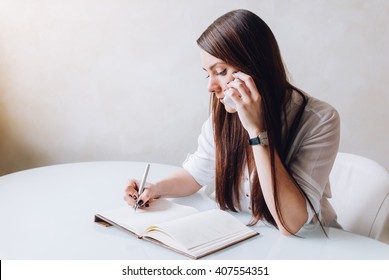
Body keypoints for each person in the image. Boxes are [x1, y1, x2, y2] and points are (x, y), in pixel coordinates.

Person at [124, 9, 340, 235]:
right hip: (248, 238)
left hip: (311, 245)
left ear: (255, 66)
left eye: (221, 71)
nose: (211, 86)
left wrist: (257, 132)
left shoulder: (320, 120)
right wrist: (154, 188)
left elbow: (290, 223)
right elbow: (195, 174)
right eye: (208, 74)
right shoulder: (224, 115)